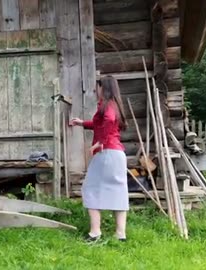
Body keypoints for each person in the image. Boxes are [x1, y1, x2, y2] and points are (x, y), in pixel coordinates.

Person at [69, 75, 129, 242]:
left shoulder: (106, 105)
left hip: (107, 153)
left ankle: (95, 232)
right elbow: (102, 123)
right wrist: (82, 123)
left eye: (98, 88)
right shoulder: (115, 105)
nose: (96, 91)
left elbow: (108, 121)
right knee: (119, 191)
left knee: (90, 188)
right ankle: (120, 234)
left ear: (105, 88)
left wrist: (100, 143)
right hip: (118, 154)